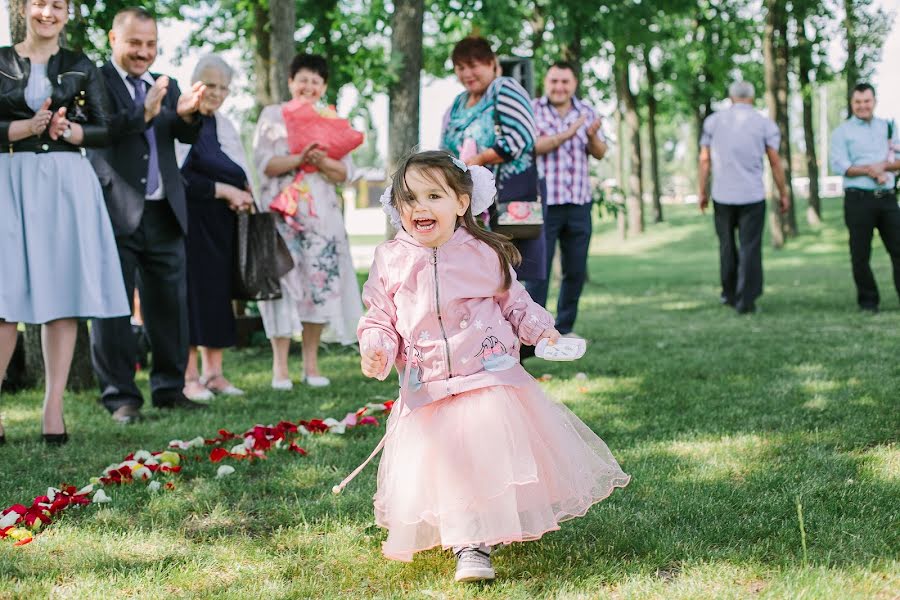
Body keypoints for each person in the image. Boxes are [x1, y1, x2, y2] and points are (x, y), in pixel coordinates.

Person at [346, 151, 629, 582]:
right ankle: (470, 535)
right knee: (447, 464)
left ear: (461, 203)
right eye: (409, 199)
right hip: (430, 385)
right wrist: (376, 345)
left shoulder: (482, 253)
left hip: (487, 377)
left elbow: (515, 303)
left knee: (483, 457)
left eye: (433, 196)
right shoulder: (391, 259)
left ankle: (473, 545)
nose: (420, 207)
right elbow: (380, 315)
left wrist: (542, 331)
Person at [0, 0, 129, 444]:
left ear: (67, 12)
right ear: (24, 8)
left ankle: (52, 408)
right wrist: (22, 128)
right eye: (40, 3)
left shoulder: (80, 64)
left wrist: (69, 131)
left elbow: (105, 125)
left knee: (62, 294)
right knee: (3, 297)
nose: (47, 12)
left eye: (57, 4)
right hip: (9, 180)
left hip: (65, 183)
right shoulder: (0, 60)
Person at [90, 7, 209, 424]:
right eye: (135, 43)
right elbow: (104, 129)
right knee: (114, 309)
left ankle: (169, 388)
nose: (144, 52)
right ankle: (120, 397)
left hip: (165, 211)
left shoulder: (166, 83)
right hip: (115, 209)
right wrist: (145, 111)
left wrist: (190, 111)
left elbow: (183, 133)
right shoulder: (96, 81)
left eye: (151, 44)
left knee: (169, 307)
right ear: (113, 40)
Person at [252, 53, 362, 389]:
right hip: (282, 216)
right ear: (290, 81)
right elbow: (264, 164)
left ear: (324, 86)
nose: (309, 86)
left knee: (319, 285)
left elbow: (346, 172)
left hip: (320, 220)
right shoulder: (274, 116)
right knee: (282, 285)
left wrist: (321, 161)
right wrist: (299, 158)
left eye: (316, 80)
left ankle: (311, 366)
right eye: (303, 79)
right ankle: (280, 368)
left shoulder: (331, 119)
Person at [440, 36, 547, 292]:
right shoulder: (457, 104)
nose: (467, 73)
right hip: (471, 206)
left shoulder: (504, 88)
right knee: (478, 278)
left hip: (511, 200)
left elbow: (521, 138)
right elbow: (445, 148)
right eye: (460, 67)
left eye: (473, 65)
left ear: (491, 63)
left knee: (516, 276)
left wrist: (478, 160)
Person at [178, 55, 254, 401]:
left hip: (221, 224)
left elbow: (236, 167)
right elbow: (181, 176)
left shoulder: (221, 124)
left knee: (216, 297)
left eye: (224, 87)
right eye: (211, 85)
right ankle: (189, 376)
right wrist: (224, 190)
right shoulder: (184, 120)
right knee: (192, 297)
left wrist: (245, 193)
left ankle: (214, 374)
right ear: (195, 83)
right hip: (191, 222)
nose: (217, 93)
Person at [698, 81, 790, 314]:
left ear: (730, 97)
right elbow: (775, 160)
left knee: (727, 246)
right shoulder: (764, 124)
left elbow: (704, 160)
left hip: (722, 195)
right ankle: (746, 301)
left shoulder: (713, 121)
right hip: (752, 196)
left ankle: (729, 294)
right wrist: (783, 192)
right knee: (750, 248)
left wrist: (702, 191)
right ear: (752, 97)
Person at [531, 61, 607, 337]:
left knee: (575, 270)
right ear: (546, 82)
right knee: (539, 271)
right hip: (543, 203)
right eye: (554, 81)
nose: (559, 87)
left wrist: (592, 136)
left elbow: (599, 152)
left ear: (574, 83)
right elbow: (530, 147)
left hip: (578, 202)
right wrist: (567, 134)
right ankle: (533, 333)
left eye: (565, 82)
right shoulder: (533, 109)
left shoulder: (587, 111)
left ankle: (565, 328)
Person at [829, 83, 900, 313]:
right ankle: (868, 302)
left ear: (874, 101)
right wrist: (872, 170)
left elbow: (898, 159)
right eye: (858, 102)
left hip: (887, 198)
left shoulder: (888, 127)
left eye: (867, 101)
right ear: (852, 103)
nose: (863, 106)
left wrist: (884, 166)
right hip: (858, 200)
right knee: (860, 254)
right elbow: (842, 166)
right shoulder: (842, 132)